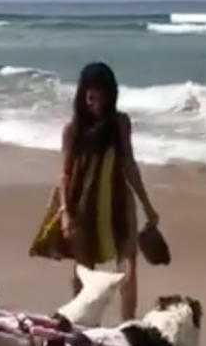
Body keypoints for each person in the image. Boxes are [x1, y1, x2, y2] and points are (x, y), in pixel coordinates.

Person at [29, 62, 159, 320]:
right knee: (83, 269)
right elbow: (65, 174)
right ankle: (80, 324)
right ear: (82, 96)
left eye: (102, 97)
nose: (96, 103)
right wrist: (65, 212)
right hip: (83, 205)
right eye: (91, 97)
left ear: (111, 95)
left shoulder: (120, 123)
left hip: (119, 202)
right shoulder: (72, 130)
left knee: (128, 266)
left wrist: (147, 205)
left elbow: (129, 164)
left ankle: (127, 326)